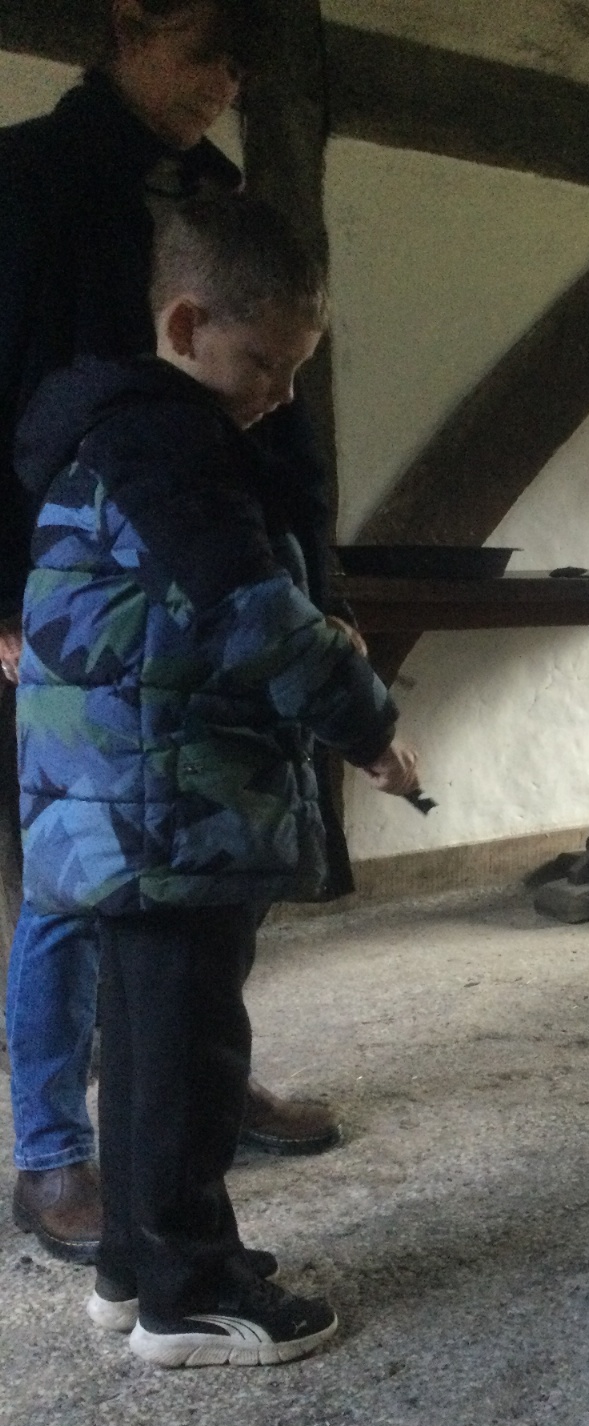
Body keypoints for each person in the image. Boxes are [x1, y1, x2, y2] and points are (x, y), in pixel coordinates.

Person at [16, 189, 419, 1366]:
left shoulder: (129, 433)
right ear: (187, 325)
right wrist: (368, 724)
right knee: (189, 1057)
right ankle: (190, 1294)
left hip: (137, 801)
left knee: (151, 1044)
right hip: (167, 804)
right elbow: (258, 620)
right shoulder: (171, 445)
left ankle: (134, 1263)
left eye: (297, 369)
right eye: (266, 362)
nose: (280, 393)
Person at [0, 0, 352, 1266]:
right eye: (205, 49)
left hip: (217, 574)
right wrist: (5, 598)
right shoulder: (27, 179)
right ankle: (53, 1152)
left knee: (212, 866)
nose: (225, 81)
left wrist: (310, 574)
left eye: (241, 64)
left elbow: (283, 416)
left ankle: (199, 1089)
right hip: (75, 594)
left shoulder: (221, 200)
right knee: (72, 875)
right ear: (128, 25)